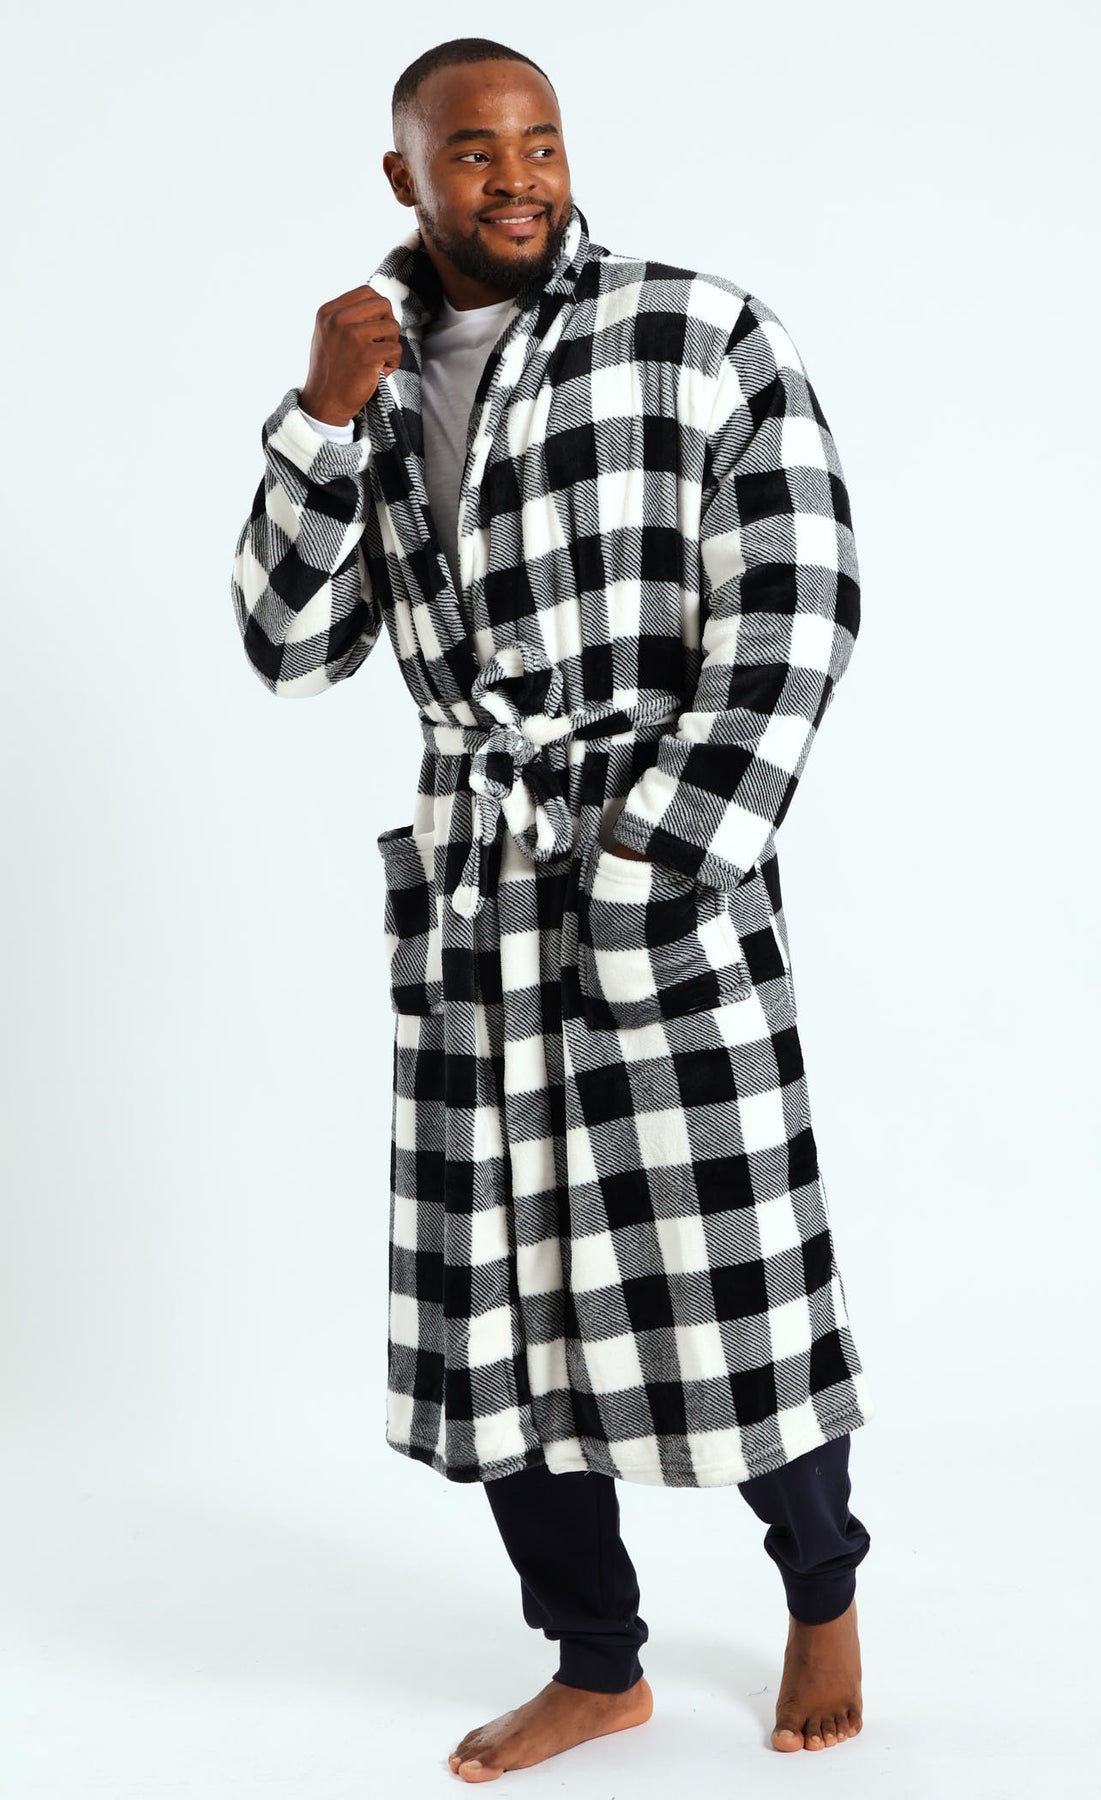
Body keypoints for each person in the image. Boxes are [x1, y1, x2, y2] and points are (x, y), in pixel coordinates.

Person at [230, 35, 878, 1780]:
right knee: (495, 1291)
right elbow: (289, 650)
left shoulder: (696, 330)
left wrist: (657, 865)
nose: (516, 177)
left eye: (540, 142)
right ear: (405, 177)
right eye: (472, 152)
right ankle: (597, 1660)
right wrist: (316, 423)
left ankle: (823, 1584)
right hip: (475, 891)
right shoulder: (365, 376)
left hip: (663, 867)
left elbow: (799, 609)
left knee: (726, 1255)